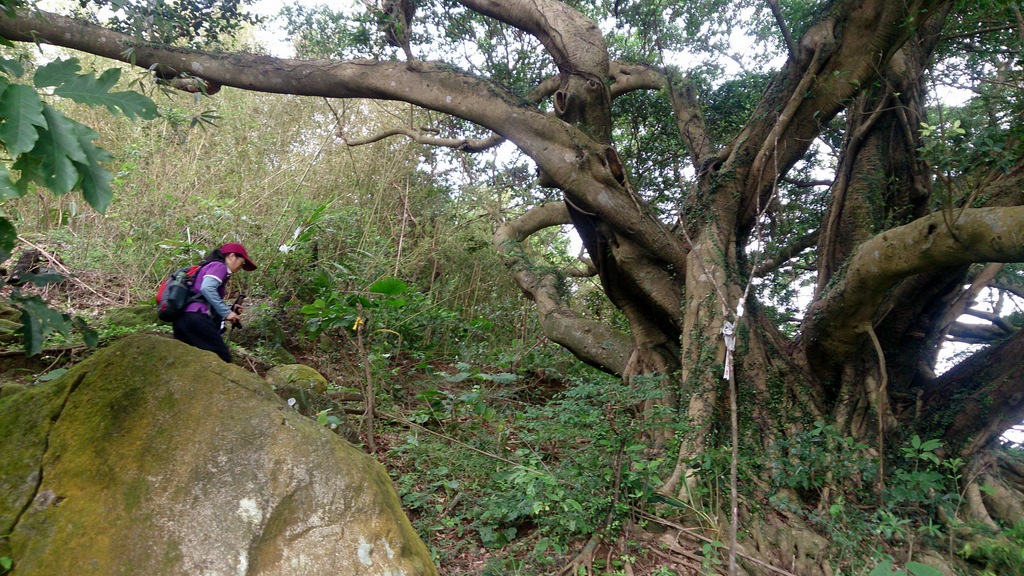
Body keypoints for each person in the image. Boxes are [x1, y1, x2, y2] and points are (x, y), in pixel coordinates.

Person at [172, 242, 256, 362]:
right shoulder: (219, 266)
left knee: (189, 360)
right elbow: (207, 288)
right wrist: (227, 313)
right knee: (222, 358)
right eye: (242, 263)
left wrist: (230, 310)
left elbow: (203, 297)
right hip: (196, 319)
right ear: (232, 256)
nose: (241, 267)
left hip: (184, 318)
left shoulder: (210, 266)